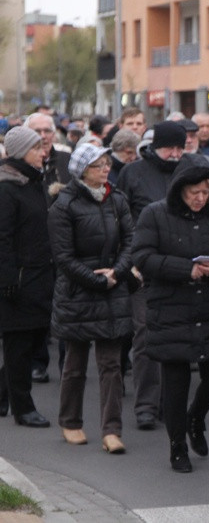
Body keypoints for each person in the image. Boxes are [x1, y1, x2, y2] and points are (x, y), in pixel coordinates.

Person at [132, 154, 209, 472]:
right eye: (194, 192)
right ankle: (177, 446)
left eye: (206, 192)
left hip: (208, 306)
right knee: (175, 382)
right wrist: (184, 269)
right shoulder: (155, 214)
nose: (200, 198)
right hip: (170, 307)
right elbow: (142, 257)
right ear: (180, 189)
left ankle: (196, 418)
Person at [48, 143, 135, 454]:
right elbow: (63, 258)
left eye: (107, 163)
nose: (106, 169)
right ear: (83, 171)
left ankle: (112, 430)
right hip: (78, 293)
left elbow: (131, 241)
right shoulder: (64, 205)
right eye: (99, 165)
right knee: (75, 363)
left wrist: (116, 272)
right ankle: (70, 422)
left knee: (111, 365)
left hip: (112, 289)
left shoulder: (117, 199)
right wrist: (97, 280)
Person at [118, 120, 188, 431]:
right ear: (155, 146)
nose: (175, 154)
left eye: (180, 148)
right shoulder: (133, 173)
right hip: (143, 269)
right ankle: (145, 405)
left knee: (176, 338)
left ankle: (168, 403)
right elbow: (120, 219)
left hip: (179, 268)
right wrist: (128, 264)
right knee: (145, 335)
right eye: (169, 147)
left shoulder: (188, 170)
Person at [0, 126, 54, 427]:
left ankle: (2, 393)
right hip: (18, 281)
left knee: (33, 340)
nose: (42, 153)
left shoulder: (34, 182)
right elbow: (2, 238)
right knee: (19, 344)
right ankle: (23, 408)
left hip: (40, 275)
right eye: (36, 148)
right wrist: (7, 279)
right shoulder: (7, 188)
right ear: (21, 153)